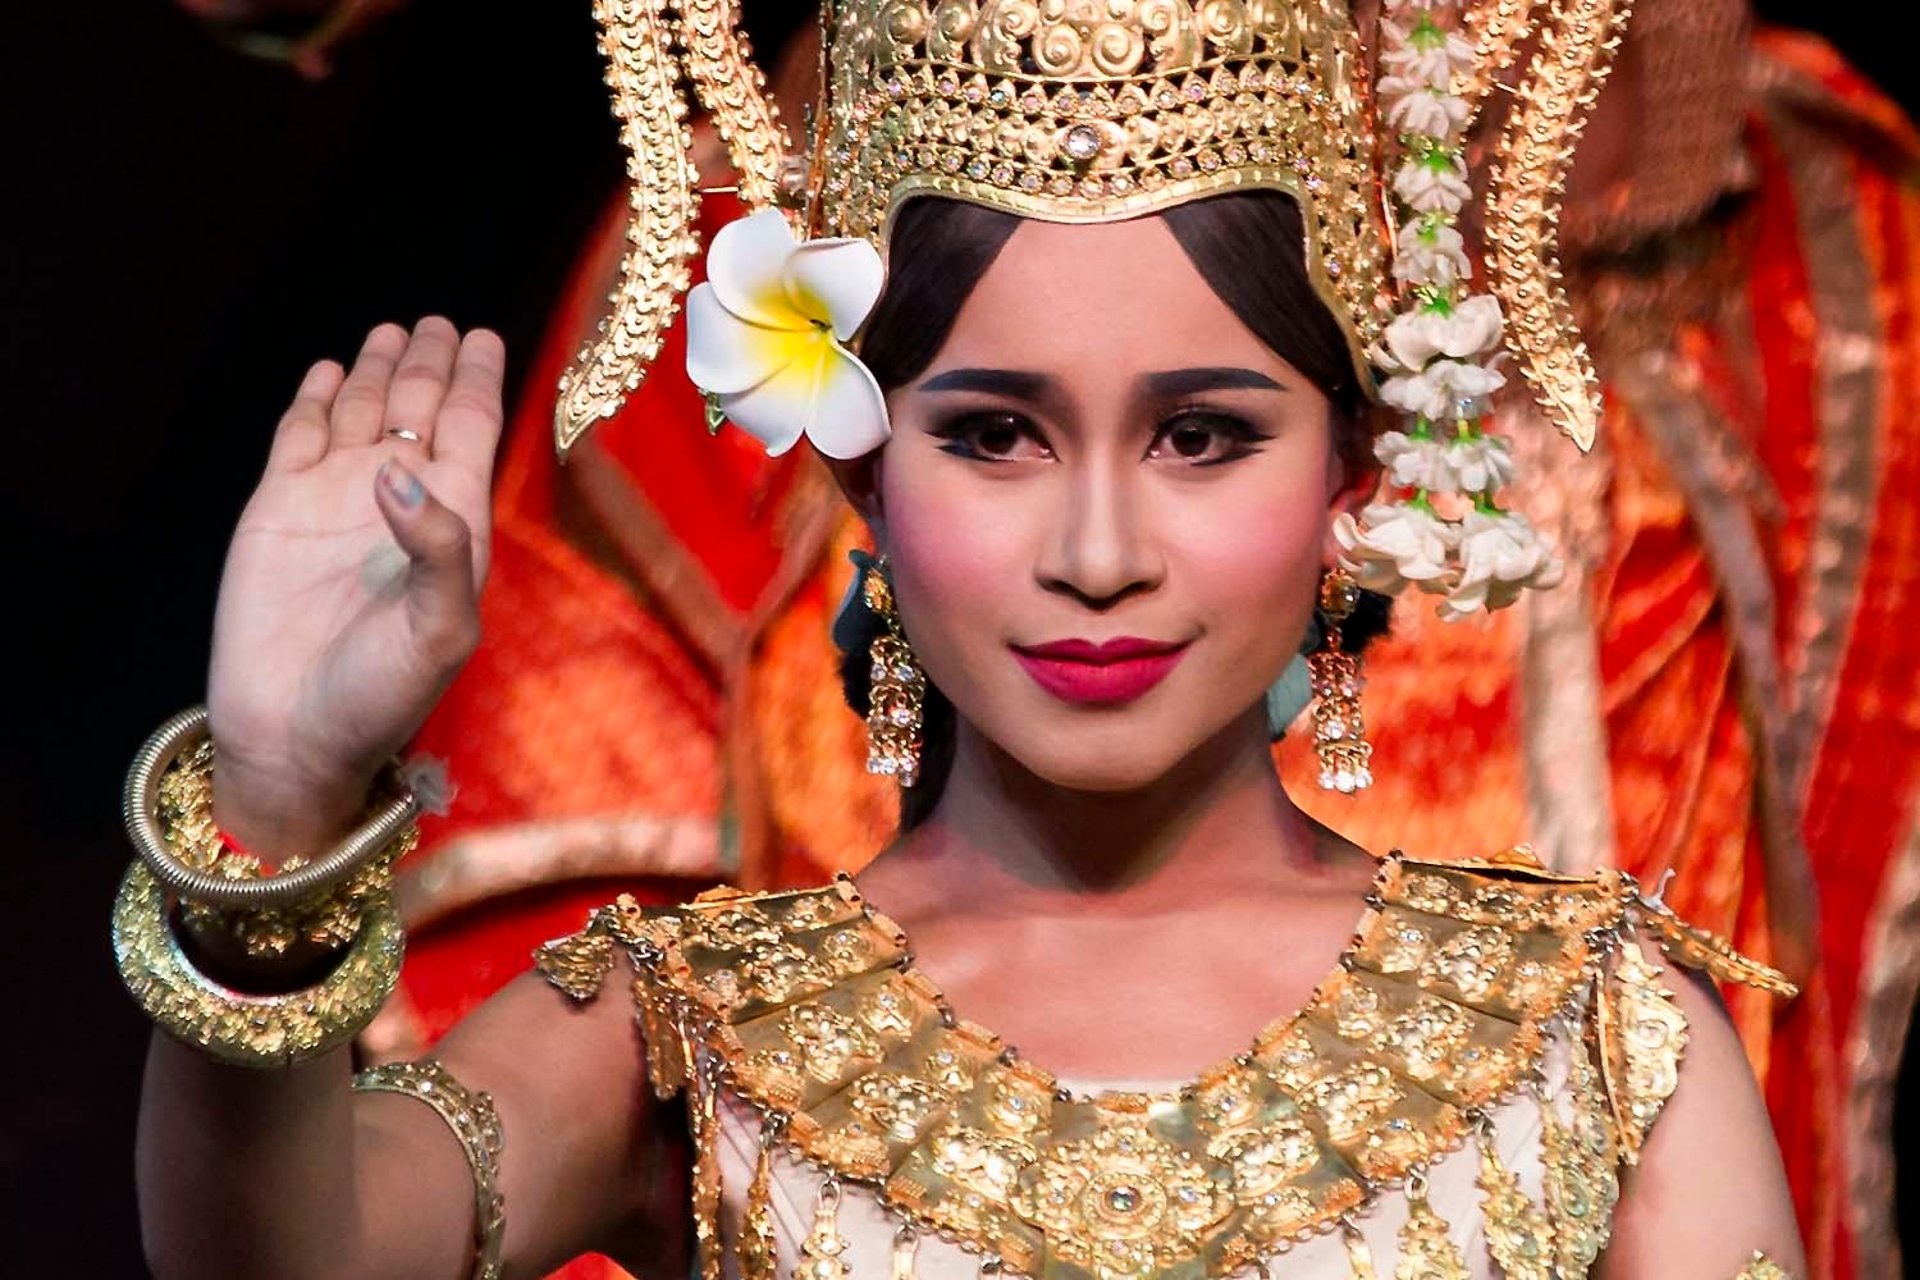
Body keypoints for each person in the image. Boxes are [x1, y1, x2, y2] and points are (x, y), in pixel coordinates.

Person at [119, 3, 1811, 1279]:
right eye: (995, 434)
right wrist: (275, 797)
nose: (1096, 555)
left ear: (1349, 481)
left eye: (1204, 437)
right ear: (862, 472)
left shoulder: (1609, 1031)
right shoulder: (668, 1032)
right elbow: (285, 1260)